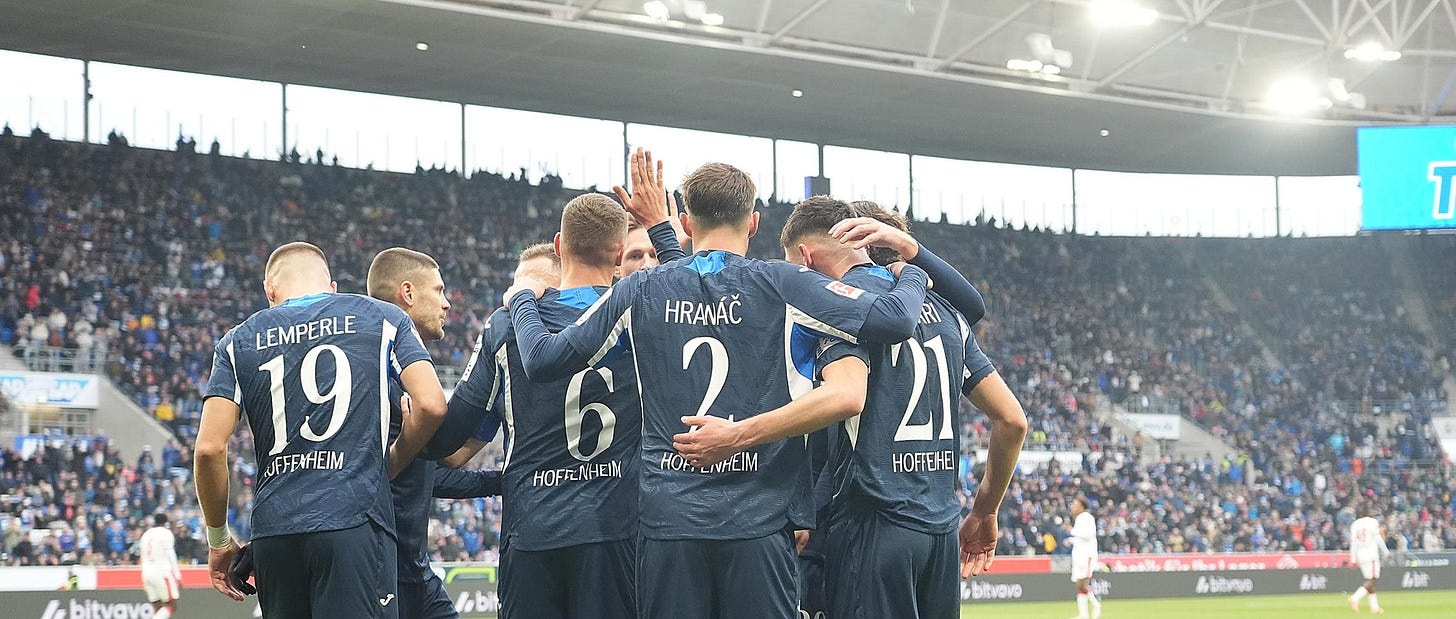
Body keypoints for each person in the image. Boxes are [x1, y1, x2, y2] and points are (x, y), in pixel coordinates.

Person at [505, 160, 931, 618]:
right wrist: (912, 271)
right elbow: (894, 320)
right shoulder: (784, 283)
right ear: (754, 221)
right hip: (759, 521)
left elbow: (543, 359)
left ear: (686, 224)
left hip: (669, 522)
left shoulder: (642, 288)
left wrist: (523, 297)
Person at [447, 149, 684, 618]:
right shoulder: (648, 315)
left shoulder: (506, 324)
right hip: (618, 531)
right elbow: (689, 289)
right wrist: (665, 231)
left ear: (557, 246)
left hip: (534, 531)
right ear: (620, 256)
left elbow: (450, 437)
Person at [764, 200, 1027, 618]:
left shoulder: (839, 312)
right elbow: (1013, 421)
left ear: (805, 257)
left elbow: (837, 406)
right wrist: (985, 511)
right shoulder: (948, 314)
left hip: (874, 520)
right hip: (941, 530)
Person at [194, 241, 448, 618]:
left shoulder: (237, 340)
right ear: (331, 287)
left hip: (274, 532)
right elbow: (431, 404)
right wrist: (391, 461)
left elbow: (209, 449)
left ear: (270, 292)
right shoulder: (382, 317)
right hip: (353, 522)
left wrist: (218, 541)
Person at [365, 247, 462, 619]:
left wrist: (503, 480)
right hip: (383, 565)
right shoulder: (379, 375)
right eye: (438, 291)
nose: (448, 304)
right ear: (407, 293)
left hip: (412, 567)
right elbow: (385, 469)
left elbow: (432, 470)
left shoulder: (403, 368)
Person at [437, 244, 561, 470]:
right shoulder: (505, 365)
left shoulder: (607, 333)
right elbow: (453, 455)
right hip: (533, 497)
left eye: (534, 289)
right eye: (517, 290)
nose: (522, 299)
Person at [1064, 497, 1102, 619]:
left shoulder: (1087, 518)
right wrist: (1071, 540)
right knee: (1080, 585)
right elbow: (1081, 538)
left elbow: (1088, 535)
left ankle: (1095, 606)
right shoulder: (1080, 519)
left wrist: (1072, 531)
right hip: (1080, 555)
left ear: (1081, 506)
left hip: (1087, 555)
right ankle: (1083, 614)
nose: (1073, 507)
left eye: (1075, 505)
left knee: (1083, 584)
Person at [140, 513, 182, 619]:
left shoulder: (146, 534)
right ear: (166, 522)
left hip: (146, 573)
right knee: (171, 605)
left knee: (157, 606)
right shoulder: (166, 533)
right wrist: (177, 576)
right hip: (161, 573)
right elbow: (171, 555)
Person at [1348, 506, 1389, 614]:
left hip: (1361, 555)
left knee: (1370, 581)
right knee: (1373, 579)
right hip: (1371, 555)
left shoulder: (1355, 524)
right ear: (1367, 512)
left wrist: (1353, 558)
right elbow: (1378, 538)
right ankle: (1355, 598)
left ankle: (1375, 608)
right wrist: (1386, 552)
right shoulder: (1372, 522)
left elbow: (1353, 543)